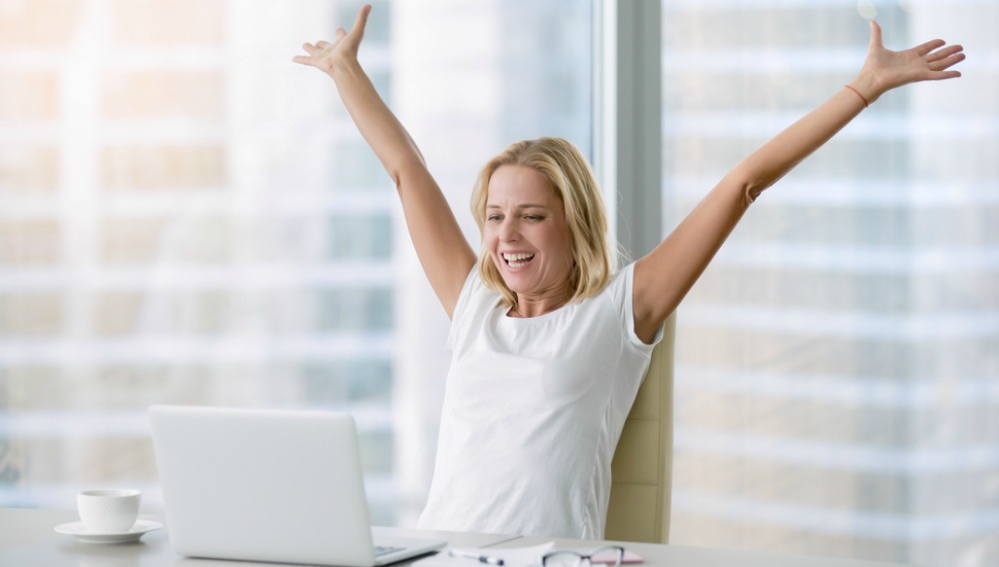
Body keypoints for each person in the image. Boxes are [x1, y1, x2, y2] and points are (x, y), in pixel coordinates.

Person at [294, 5, 964, 539]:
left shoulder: (618, 311)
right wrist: (347, 72)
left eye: (530, 215)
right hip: (440, 553)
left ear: (573, 220)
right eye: (495, 216)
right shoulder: (473, 305)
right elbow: (406, 169)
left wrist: (863, 87)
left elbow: (743, 184)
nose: (507, 236)